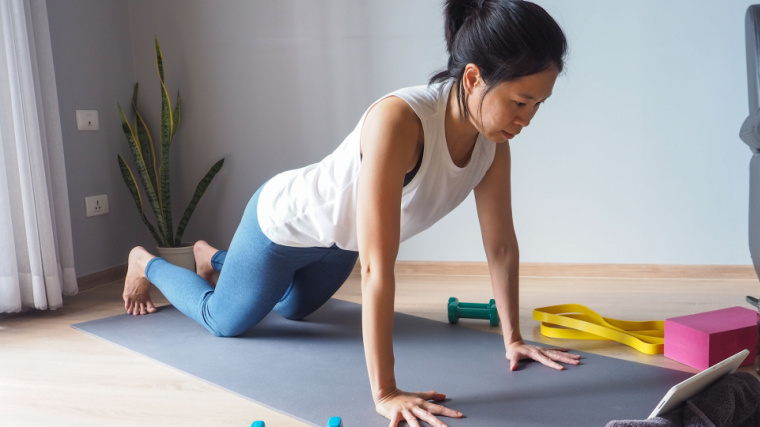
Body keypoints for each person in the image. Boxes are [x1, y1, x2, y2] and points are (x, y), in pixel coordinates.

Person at [123, 0, 581, 425]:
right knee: (225, 322)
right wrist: (385, 393)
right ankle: (148, 261)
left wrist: (513, 338)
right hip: (282, 227)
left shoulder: (492, 140)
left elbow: (500, 244)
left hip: (339, 245)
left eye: (538, 104)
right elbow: (378, 266)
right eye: (520, 102)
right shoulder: (400, 120)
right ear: (473, 78)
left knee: (296, 311)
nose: (527, 119)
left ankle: (215, 258)